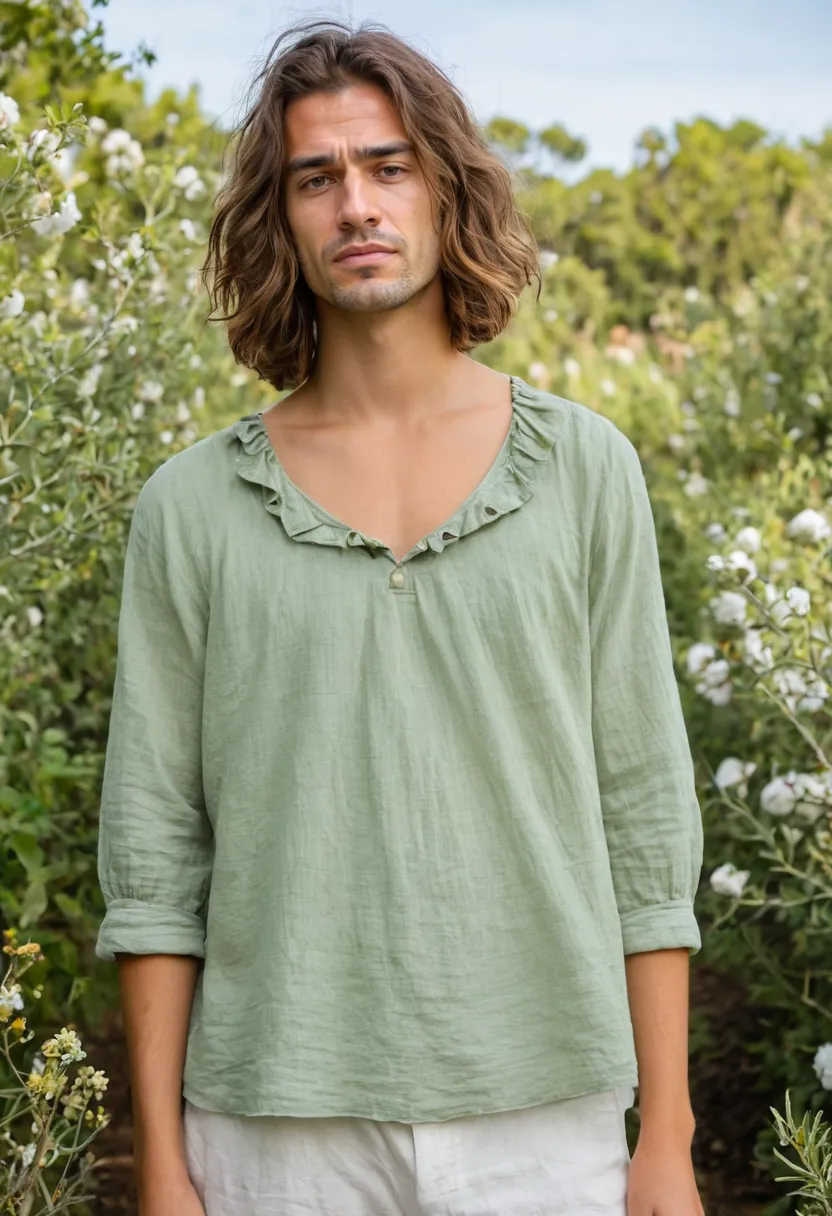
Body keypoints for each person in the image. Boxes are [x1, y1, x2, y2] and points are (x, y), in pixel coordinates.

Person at [95, 17, 706, 1216]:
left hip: (548, 1114)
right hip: (274, 1125)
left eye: (388, 166)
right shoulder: (190, 509)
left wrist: (667, 1136)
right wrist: (164, 1168)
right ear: (279, 218)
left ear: (445, 190)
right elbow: (155, 851)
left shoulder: (587, 469)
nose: (355, 205)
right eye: (315, 178)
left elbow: (644, 816)